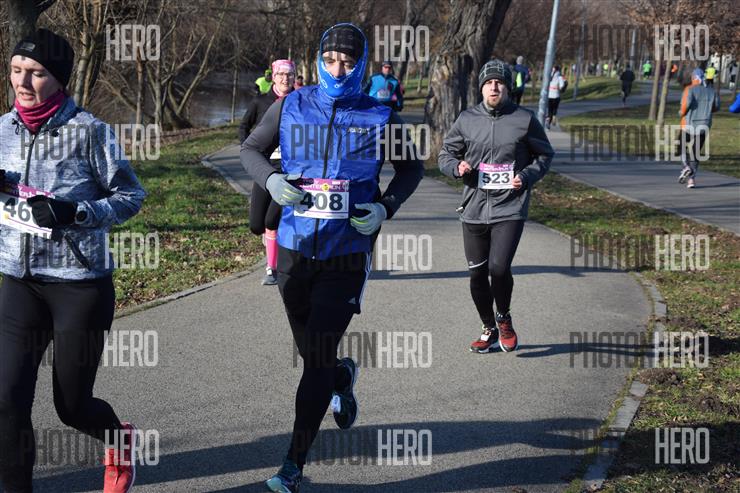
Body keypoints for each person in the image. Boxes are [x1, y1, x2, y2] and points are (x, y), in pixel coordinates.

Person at [241, 23, 423, 492]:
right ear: (319, 60)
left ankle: (292, 464)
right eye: (330, 60)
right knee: (313, 353)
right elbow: (251, 149)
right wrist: (271, 181)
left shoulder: (380, 116)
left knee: (316, 357)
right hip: (294, 249)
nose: (337, 69)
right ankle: (342, 375)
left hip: (347, 253)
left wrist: (385, 207)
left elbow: (411, 168)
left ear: (361, 66)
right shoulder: (292, 104)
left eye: (347, 62)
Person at [0, 29, 146, 493]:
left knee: (73, 406)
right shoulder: (1, 130)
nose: (23, 82)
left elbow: (130, 197)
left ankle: (119, 441)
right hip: (19, 281)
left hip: (79, 285)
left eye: (36, 73)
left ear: (60, 79)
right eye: (16, 70)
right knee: (5, 399)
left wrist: (75, 212)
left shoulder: (89, 131)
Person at [438, 59, 554, 354]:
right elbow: (445, 154)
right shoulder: (467, 119)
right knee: (477, 274)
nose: (494, 87)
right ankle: (488, 327)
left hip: (509, 206)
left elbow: (544, 155)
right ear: (481, 88)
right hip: (474, 207)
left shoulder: (524, 119)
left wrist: (526, 176)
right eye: (489, 82)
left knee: (499, 268)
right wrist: (456, 167)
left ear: (507, 88)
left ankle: (503, 318)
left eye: (499, 82)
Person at [240, 59, 297, 285]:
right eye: (281, 74)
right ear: (273, 77)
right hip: (265, 168)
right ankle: (273, 240)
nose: (285, 78)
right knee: (257, 225)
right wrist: (249, 152)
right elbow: (244, 126)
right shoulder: (260, 102)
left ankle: (272, 268)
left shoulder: (301, 102)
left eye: (289, 74)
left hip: (289, 169)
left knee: (272, 220)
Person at [677, 68, 719, 189]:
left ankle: (686, 167)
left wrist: (681, 113)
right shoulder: (712, 91)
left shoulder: (689, 89)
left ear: (694, 78)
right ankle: (691, 180)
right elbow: (716, 107)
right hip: (704, 125)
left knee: (681, 146)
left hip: (689, 124)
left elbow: (685, 106)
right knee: (695, 152)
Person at [546, 65, 566, 129]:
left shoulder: (550, 76)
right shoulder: (559, 77)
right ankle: (554, 116)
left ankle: (548, 121)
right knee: (555, 108)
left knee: (550, 109)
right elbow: (562, 86)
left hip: (549, 95)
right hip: (556, 95)